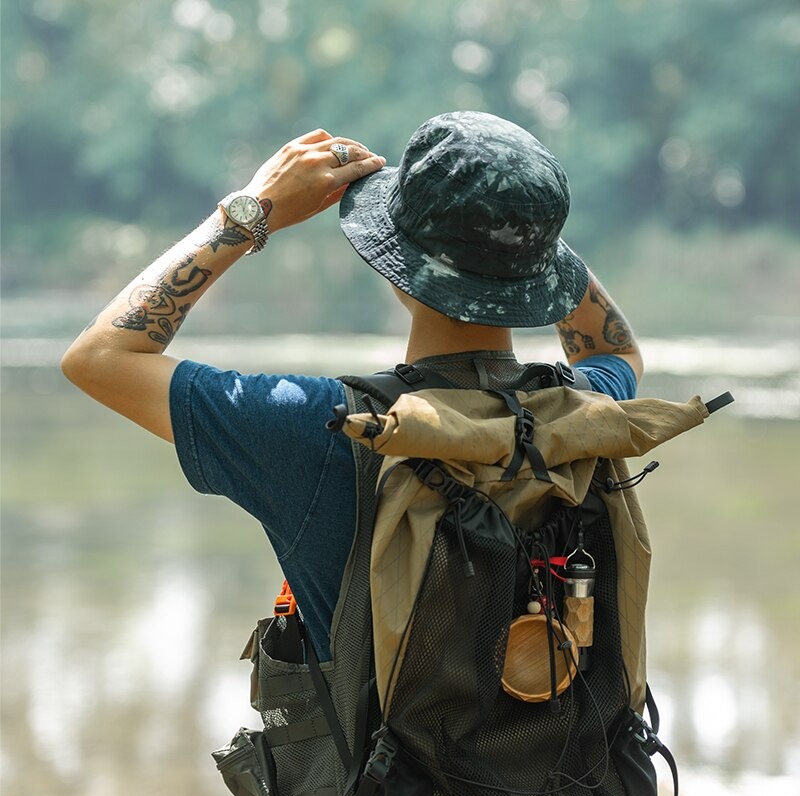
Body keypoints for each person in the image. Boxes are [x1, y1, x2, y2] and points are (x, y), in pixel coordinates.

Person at [62, 109, 642, 719]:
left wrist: (252, 210)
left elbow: (99, 358)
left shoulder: (319, 428)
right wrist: (519, 223)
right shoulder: (585, 408)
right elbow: (614, 346)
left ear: (398, 269)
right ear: (538, 270)